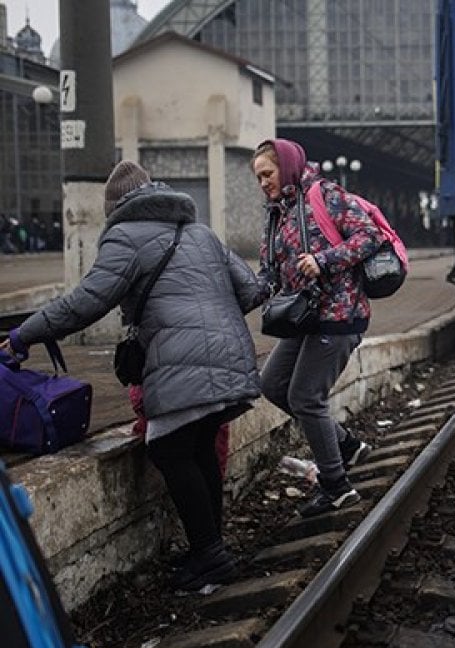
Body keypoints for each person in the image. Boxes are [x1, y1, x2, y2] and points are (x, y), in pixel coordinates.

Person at [1, 161, 263, 593]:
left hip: (184, 361)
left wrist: (24, 335)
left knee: (169, 447)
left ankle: (211, 555)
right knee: (196, 447)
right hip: (233, 356)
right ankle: (209, 547)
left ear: (116, 207)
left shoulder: (126, 235)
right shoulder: (201, 232)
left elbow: (86, 302)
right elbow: (250, 289)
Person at [252, 139, 382, 518]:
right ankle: (347, 448)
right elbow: (268, 271)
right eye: (258, 176)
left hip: (341, 315)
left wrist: (324, 260)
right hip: (305, 317)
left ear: (287, 167)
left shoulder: (324, 194)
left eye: (268, 173)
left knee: (307, 397)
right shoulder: (276, 213)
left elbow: (369, 235)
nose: (263, 182)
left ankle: (336, 486)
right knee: (273, 385)